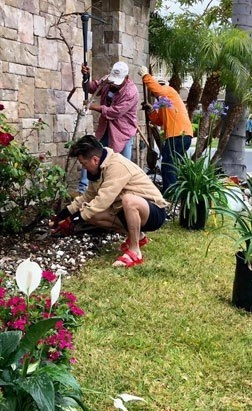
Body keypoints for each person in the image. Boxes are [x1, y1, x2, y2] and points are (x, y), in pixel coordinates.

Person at [51, 135, 168, 268]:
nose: (83, 167)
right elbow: (86, 198)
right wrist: (61, 216)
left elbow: (102, 200)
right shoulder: (100, 169)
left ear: (95, 160)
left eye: (83, 163)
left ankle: (135, 251)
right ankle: (138, 236)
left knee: (129, 200)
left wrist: (73, 221)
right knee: (93, 215)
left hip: (153, 211)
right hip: (127, 213)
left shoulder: (116, 166)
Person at [77, 61, 138, 193]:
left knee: (122, 166)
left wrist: (94, 107)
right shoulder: (107, 80)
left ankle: (121, 195)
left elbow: (115, 112)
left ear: (126, 78)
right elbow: (91, 88)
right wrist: (85, 77)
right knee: (90, 152)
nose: (114, 83)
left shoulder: (131, 92)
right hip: (105, 128)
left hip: (123, 132)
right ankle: (83, 190)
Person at [139, 66, 193, 194]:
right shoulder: (164, 103)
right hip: (180, 136)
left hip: (178, 135)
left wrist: (145, 76)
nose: (156, 94)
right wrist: (151, 111)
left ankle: (171, 193)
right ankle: (173, 192)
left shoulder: (169, 91)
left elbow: (158, 90)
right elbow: (159, 121)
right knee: (170, 164)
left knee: (168, 165)